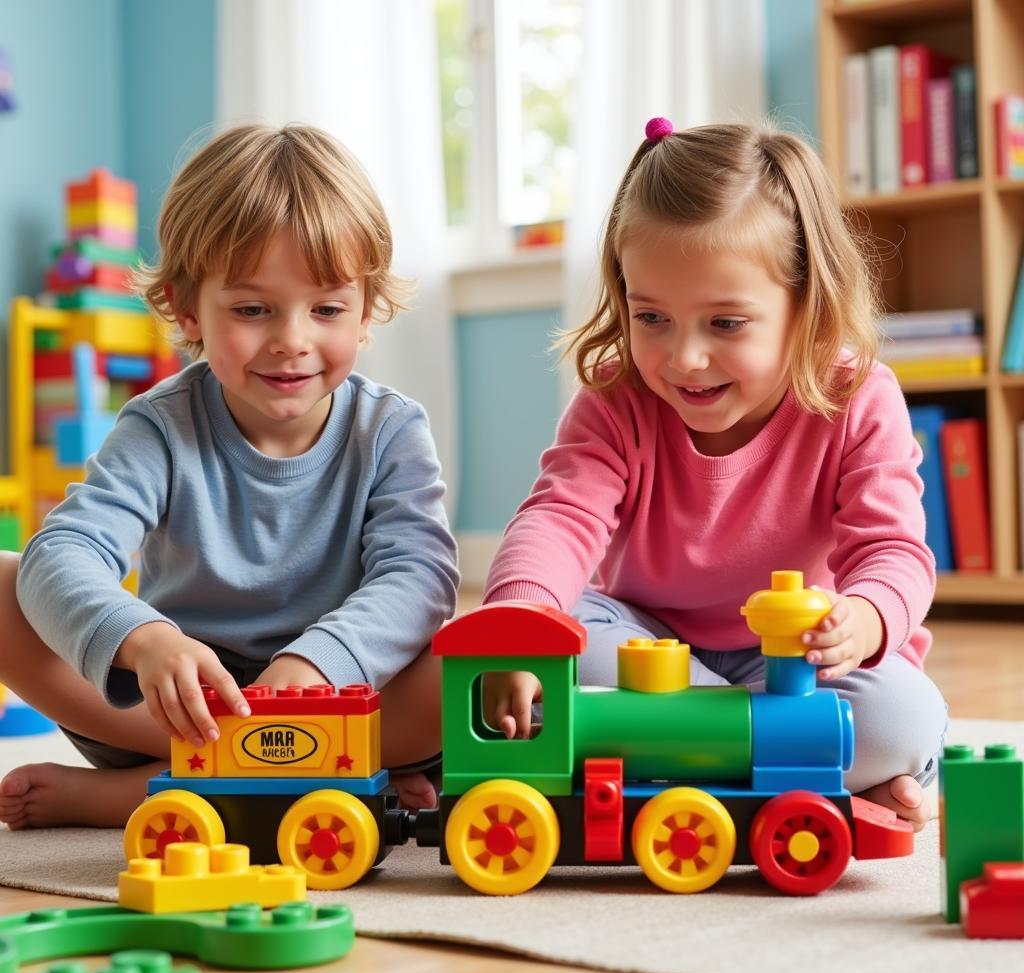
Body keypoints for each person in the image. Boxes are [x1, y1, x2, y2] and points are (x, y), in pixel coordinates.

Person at [482, 118, 947, 830]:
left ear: (807, 306)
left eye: (725, 324)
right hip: (651, 651)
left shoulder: (859, 397)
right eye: (652, 318)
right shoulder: (616, 399)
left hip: (796, 664)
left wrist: (866, 617)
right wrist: (519, 626)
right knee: (555, 644)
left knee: (900, 717)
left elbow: (892, 551)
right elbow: (559, 517)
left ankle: (683, 755)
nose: (684, 358)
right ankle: (793, 770)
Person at [0, 124, 459, 830]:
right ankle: (277, 780)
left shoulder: (391, 428)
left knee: (477, 656)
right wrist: (146, 641)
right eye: (252, 309)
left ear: (366, 313)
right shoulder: (159, 425)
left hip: (344, 706)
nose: (292, 340)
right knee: (6, 582)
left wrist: (319, 667)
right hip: (181, 710)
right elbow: (63, 554)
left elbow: (419, 576)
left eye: (327, 309)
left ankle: (149, 797)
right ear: (189, 311)